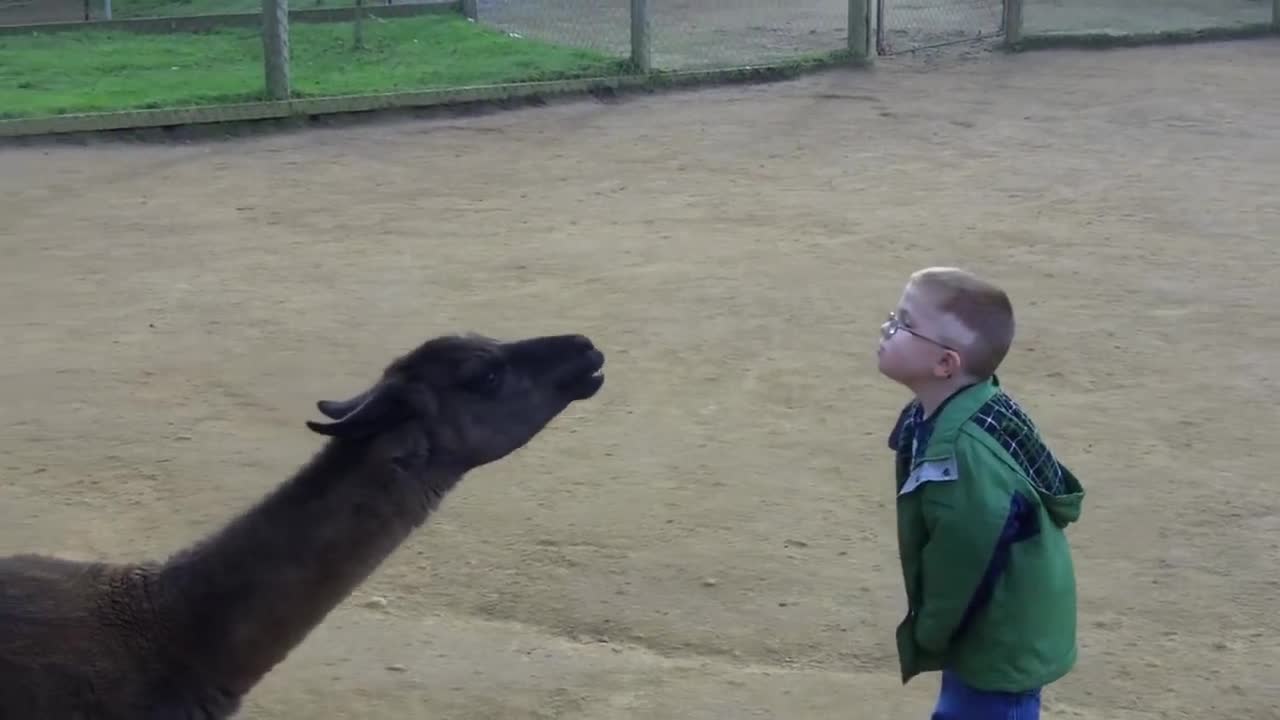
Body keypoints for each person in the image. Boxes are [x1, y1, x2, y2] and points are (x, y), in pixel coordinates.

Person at [876, 266, 1086, 719]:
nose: (886, 329)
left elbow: (963, 564)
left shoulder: (964, 462)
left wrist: (929, 635)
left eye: (904, 324)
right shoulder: (957, 406)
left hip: (1001, 640)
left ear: (945, 364)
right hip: (994, 623)